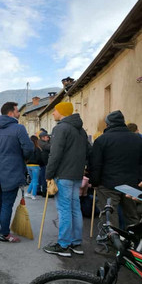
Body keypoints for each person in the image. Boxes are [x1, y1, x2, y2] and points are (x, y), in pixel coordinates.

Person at [44, 102, 90, 257]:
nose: (53, 113)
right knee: (75, 208)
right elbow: (88, 152)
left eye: (55, 110)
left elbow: (54, 154)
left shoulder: (60, 128)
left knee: (64, 210)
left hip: (63, 175)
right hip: (76, 175)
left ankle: (63, 245)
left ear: (62, 112)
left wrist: (48, 174)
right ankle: (76, 243)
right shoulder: (81, 131)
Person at [0, 102, 33, 243]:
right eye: (17, 111)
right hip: (13, 170)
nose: (18, 113)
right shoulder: (19, 128)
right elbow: (28, 148)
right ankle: (4, 234)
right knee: (7, 204)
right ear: (11, 112)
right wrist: (21, 156)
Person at [89, 110, 142, 229]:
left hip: (108, 184)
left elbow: (96, 164)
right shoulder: (137, 139)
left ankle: (110, 245)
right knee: (132, 215)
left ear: (108, 124)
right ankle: (134, 243)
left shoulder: (102, 140)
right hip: (131, 183)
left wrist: (95, 182)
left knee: (109, 216)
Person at [25, 135, 44, 200]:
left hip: (28, 165)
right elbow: (39, 158)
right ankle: (33, 194)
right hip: (35, 166)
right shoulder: (37, 149)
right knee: (35, 181)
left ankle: (28, 192)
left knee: (33, 180)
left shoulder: (28, 148)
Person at [38, 131, 51, 196]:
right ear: (42, 138)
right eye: (47, 137)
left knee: (40, 178)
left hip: (42, 163)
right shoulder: (42, 144)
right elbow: (50, 147)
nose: (48, 138)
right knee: (44, 178)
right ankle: (44, 191)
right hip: (44, 163)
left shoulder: (40, 143)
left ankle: (39, 190)